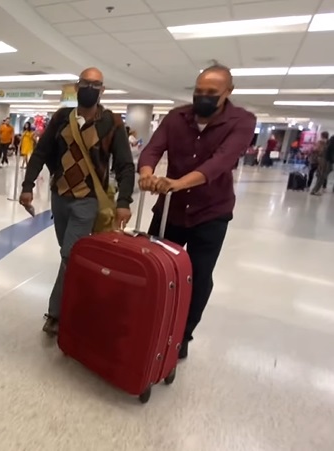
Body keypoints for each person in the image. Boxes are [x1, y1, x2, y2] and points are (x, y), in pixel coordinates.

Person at [138, 64, 256, 359]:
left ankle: (182, 336)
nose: (203, 97)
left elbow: (221, 162)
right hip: (170, 210)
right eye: (198, 91)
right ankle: (147, 322)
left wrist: (178, 183)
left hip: (211, 212)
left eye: (211, 92)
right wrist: (147, 173)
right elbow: (153, 149)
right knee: (155, 267)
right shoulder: (176, 117)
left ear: (228, 92)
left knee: (199, 276)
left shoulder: (242, 121)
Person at [20, 67, 135, 335]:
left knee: (69, 254)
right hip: (59, 197)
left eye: (96, 85)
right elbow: (41, 152)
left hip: (88, 200)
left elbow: (125, 165)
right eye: (85, 83)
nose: (90, 88)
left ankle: (56, 314)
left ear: (102, 90)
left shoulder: (111, 122)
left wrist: (124, 201)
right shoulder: (62, 117)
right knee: (70, 255)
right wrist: (27, 186)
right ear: (76, 86)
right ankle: (83, 296)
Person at [310, 131, 333, 196]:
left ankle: (316, 189)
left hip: (323, 159)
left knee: (322, 174)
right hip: (326, 159)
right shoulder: (328, 141)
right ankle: (315, 190)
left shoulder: (327, 141)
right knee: (323, 175)